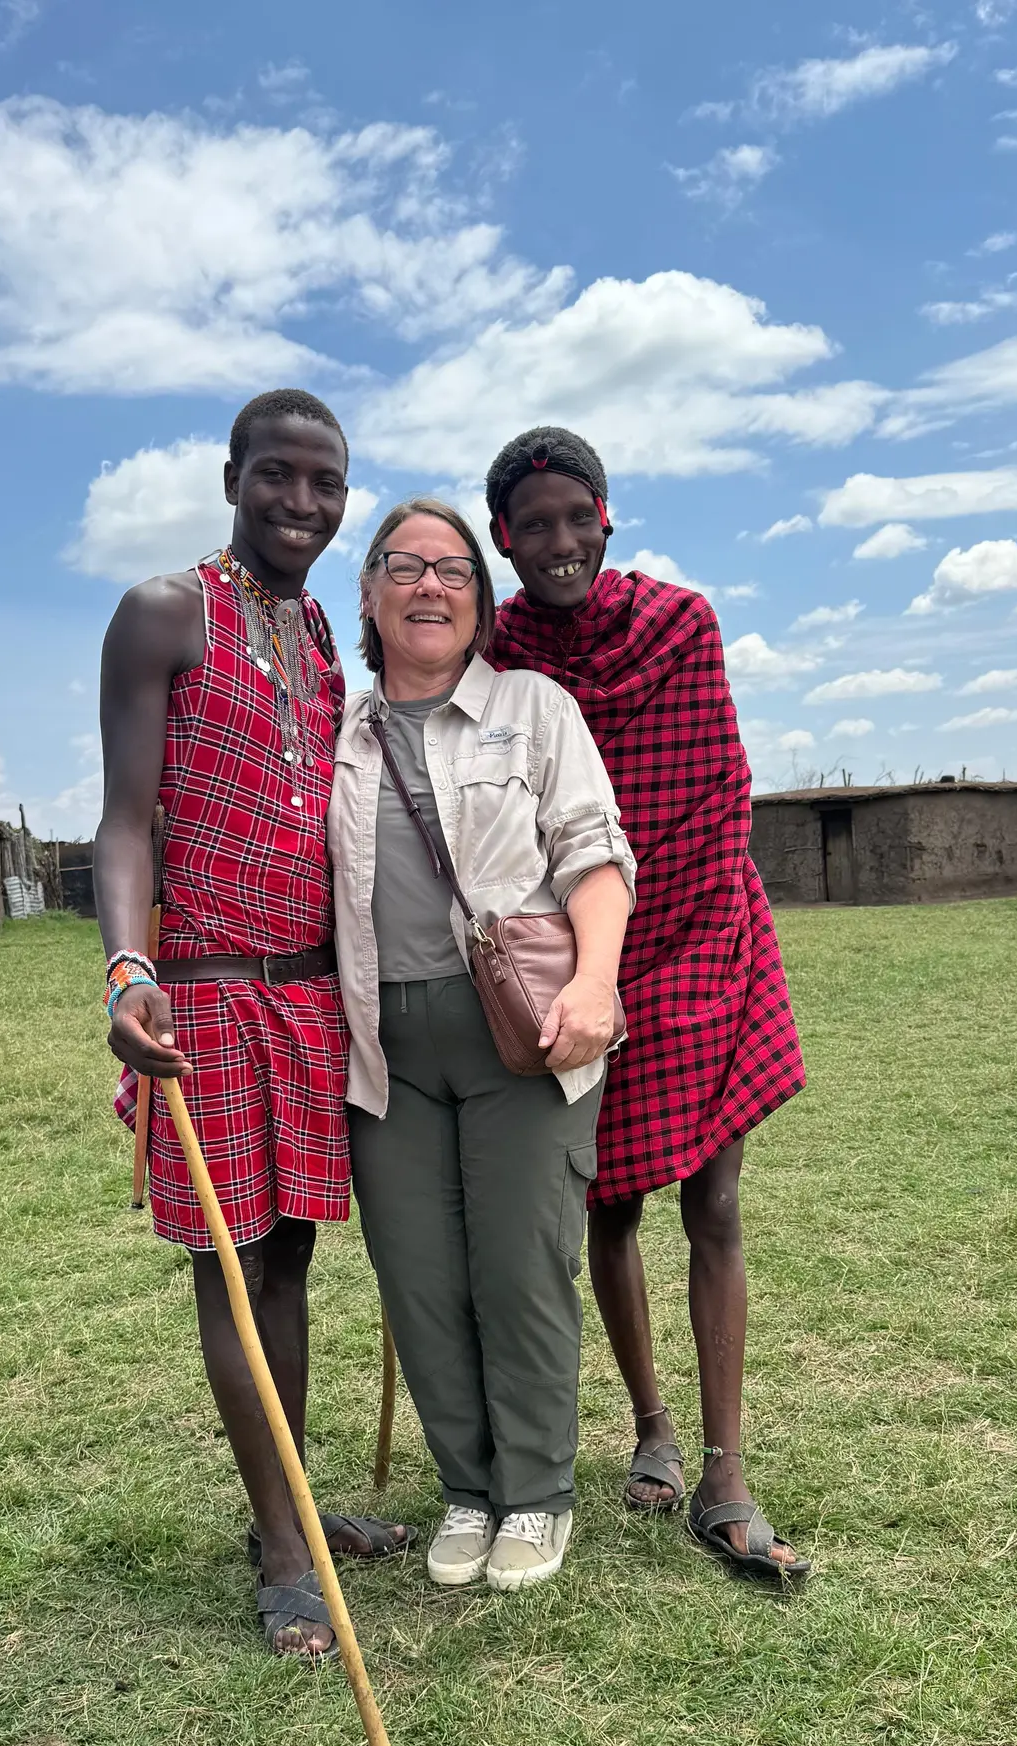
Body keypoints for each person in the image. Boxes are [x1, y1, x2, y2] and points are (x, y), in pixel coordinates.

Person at [95, 387, 410, 1665]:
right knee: (230, 1268)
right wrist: (126, 970)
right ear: (232, 476)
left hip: (311, 998)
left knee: (289, 1261)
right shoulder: (164, 613)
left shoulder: (325, 631)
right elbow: (124, 821)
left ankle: (288, 1498)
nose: (303, 504)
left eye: (326, 485)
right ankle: (284, 1551)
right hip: (209, 994)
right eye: (278, 476)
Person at [485, 426, 811, 1585]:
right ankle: (653, 1430)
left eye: (578, 517)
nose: (559, 542)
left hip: (702, 940)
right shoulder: (498, 654)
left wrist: (651, 958)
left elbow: (720, 791)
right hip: (578, 965)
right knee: (608, 1205)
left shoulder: (681, 626)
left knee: (713, 1202)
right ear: (504, 540)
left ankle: (725, 1467)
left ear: (608, 517)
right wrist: (586, 971)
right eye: (535, 525)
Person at [328, 498, 635, 1592]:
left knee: (518, 1272)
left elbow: (594, 855)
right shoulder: (334, 734)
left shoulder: (532, 709)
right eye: (403, 567)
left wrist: (596, 984)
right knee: (418, 1277)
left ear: (480, 596)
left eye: (453, 570)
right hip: (383, 1050)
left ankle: (537, 1494)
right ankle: (467, 1487)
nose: (428, 586)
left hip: (523, 1035)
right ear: (366, 594)